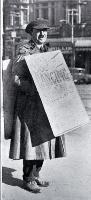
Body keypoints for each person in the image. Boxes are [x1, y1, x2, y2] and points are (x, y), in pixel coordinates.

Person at [9, 18, 66, 193]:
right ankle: (28, 178)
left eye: (45, 31)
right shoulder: (24, 51)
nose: (42, 34)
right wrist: (34, 88)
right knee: (31, 143)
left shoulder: (48, 50)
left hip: (47, 105)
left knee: (45, 141)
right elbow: (16, 78)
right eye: (38, 31)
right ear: (31, 33)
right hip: (30, 103)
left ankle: (36, 174)